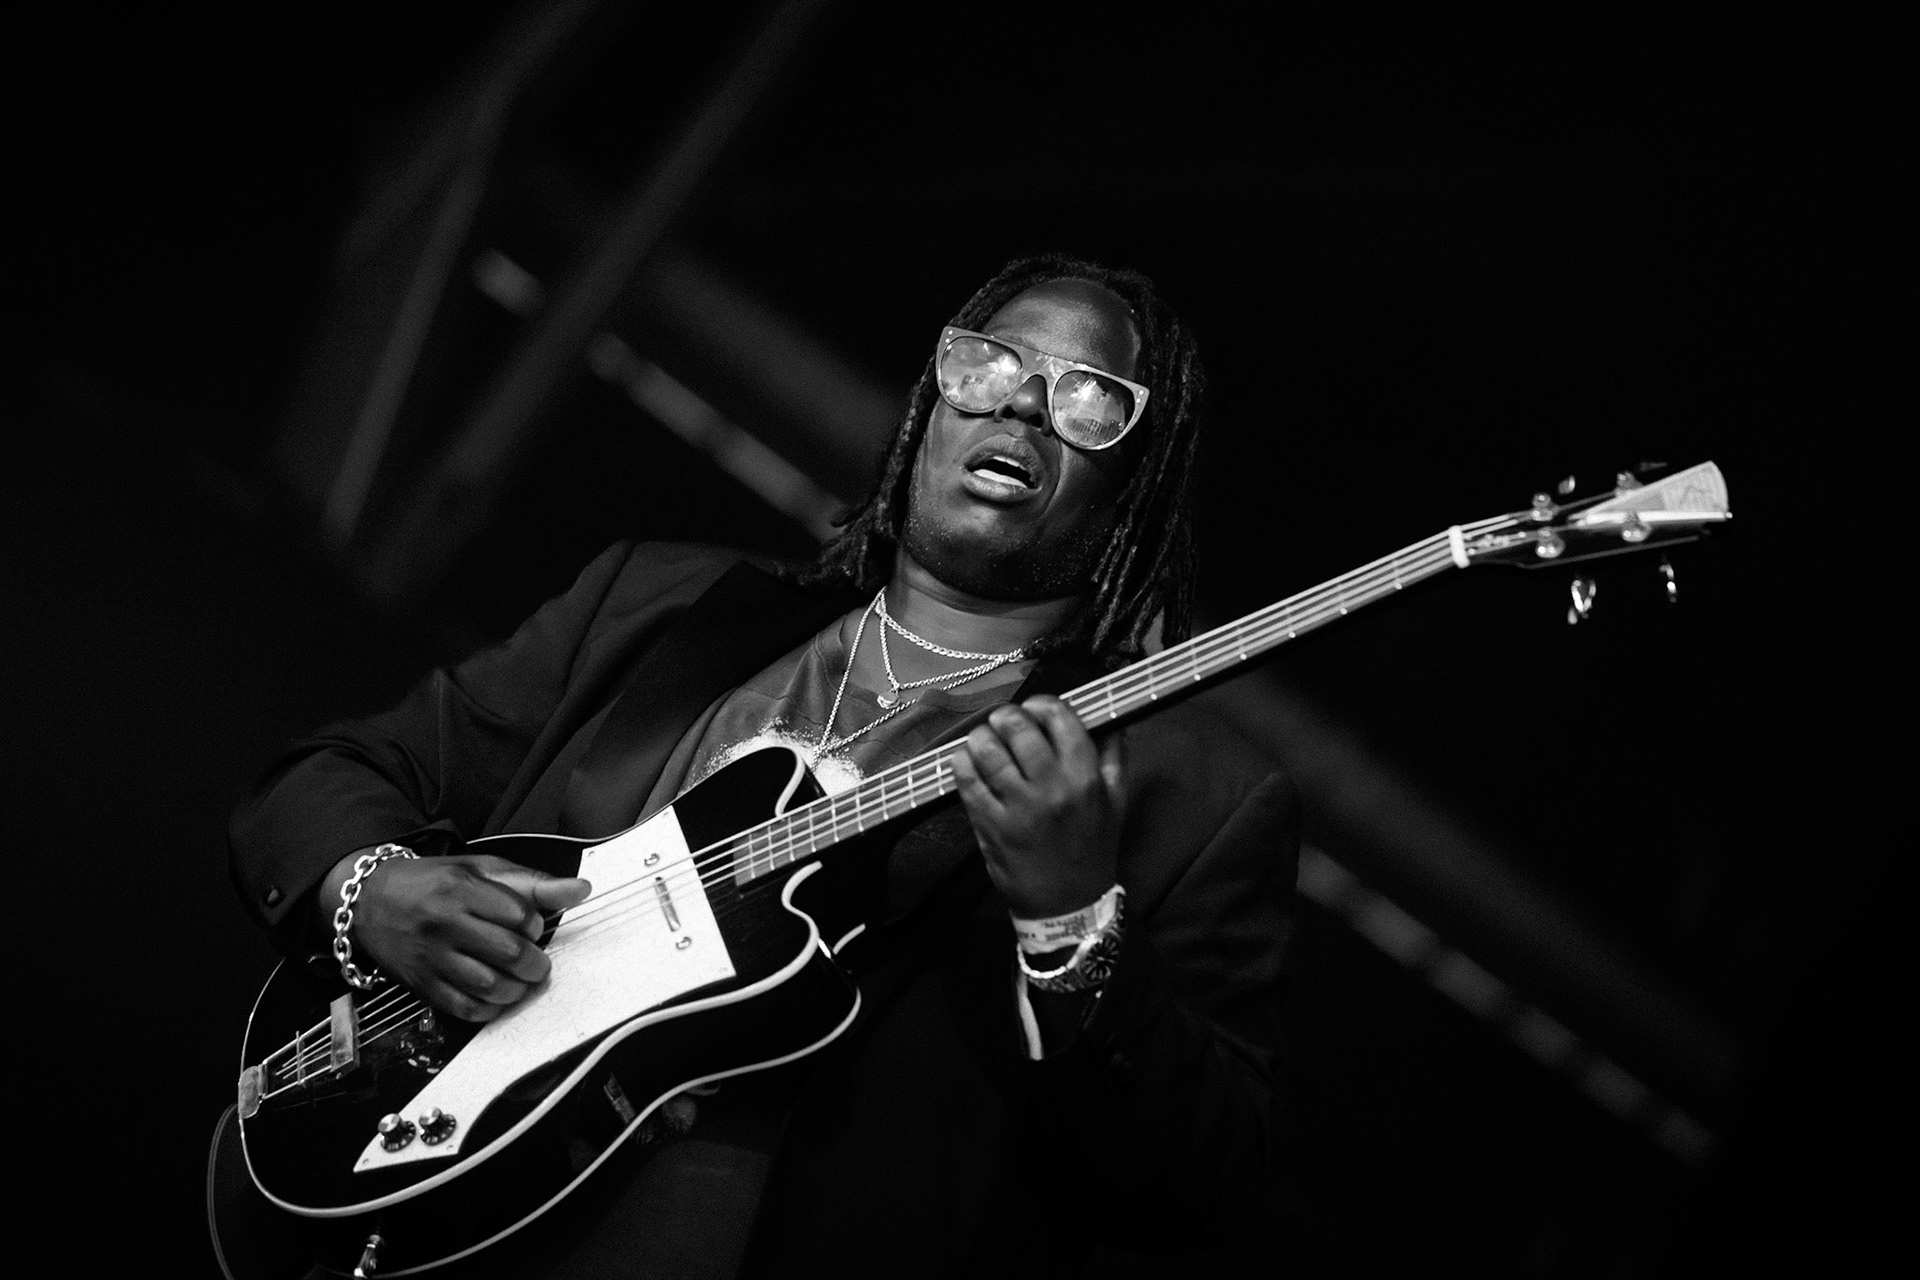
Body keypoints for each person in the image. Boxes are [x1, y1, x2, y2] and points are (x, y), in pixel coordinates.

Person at [224, 253, 1300, 1277]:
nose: (1021, 402)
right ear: (934, 400)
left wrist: (1072, 922)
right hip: (441, 1212)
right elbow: (331, 774)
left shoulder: (1187, 798)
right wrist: (375, 886)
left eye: (1087, 398)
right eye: (991, 365)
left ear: (1134, 476)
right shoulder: (654, 604)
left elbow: (1193, 1181)